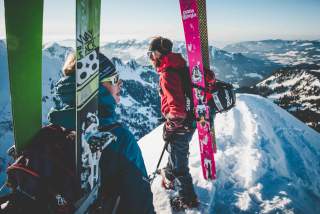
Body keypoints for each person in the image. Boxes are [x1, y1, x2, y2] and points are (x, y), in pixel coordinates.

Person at [48, 52, 155, 213]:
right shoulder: (120, 139)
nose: (120, 84)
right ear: (95, 87)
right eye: (113, 79)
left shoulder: (54, 131)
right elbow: (140, 204)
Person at [148, 36, 199, 209]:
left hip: (180, 125)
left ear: (157, 54)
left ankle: (188, 199)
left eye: (150, 54)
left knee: (180, 166)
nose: (150, 59)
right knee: (175, 151)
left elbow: (176, 111)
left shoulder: (168, 73)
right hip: (190, 122)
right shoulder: (180, 66)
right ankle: (168, 174)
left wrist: (169, 128)